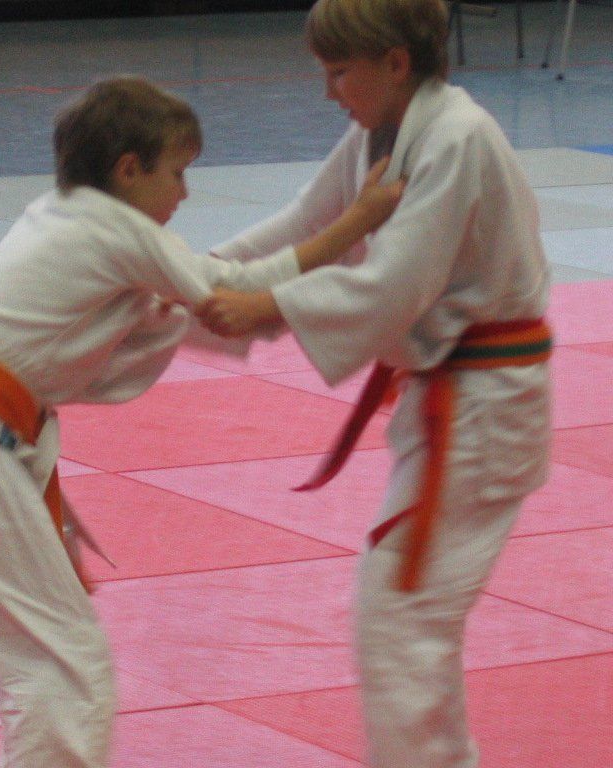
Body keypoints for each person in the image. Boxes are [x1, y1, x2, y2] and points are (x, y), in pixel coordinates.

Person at [0, 75, 403, 768]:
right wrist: (356, 222)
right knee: (66, 662)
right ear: (129, 169)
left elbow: (197, 293)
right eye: (177, 173)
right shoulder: (115, 228)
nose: (185, 192)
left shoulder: (64, 218)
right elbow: (230, 287)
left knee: (43, 654)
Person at [196, 2, 551, 767]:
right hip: (455, 402)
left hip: (487, 411)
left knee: (401, 616)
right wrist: (192, 279)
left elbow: (393, 286)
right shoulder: (383, 132)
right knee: (405, 620)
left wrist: (262, 305)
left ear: (395, 63)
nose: (328, 92)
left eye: (338, 72)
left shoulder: (456, 138)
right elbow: (307, 224)